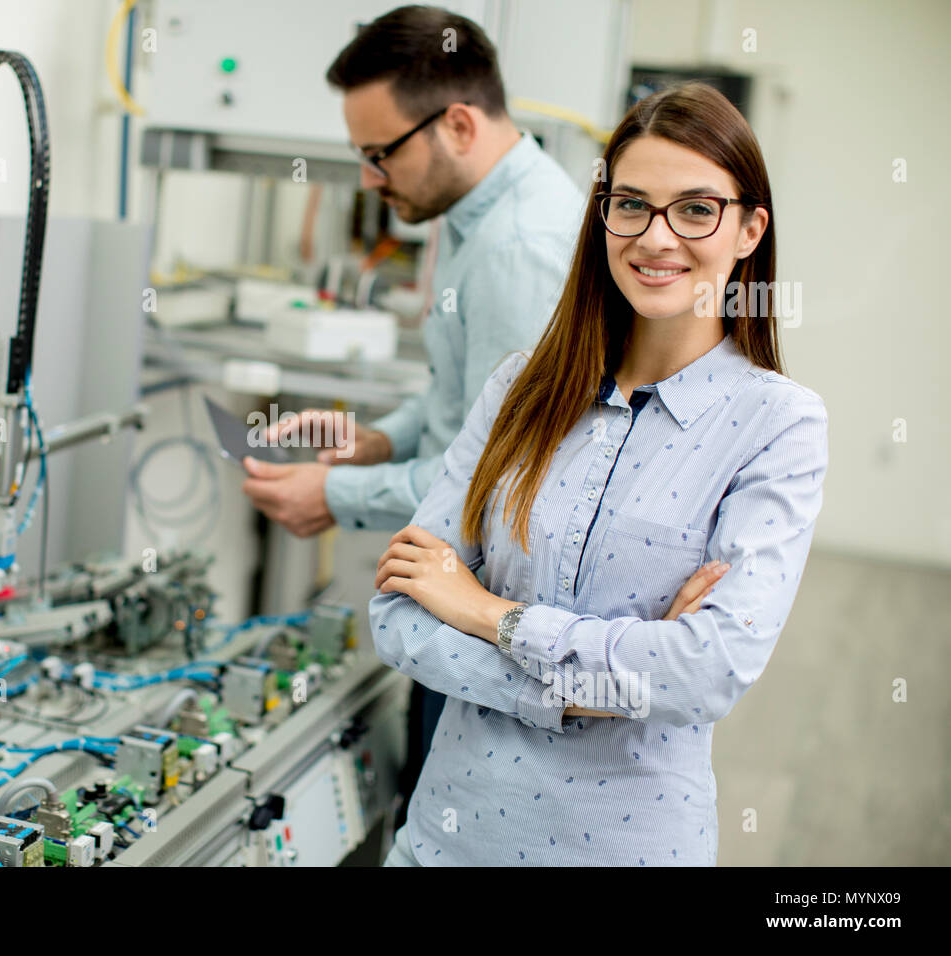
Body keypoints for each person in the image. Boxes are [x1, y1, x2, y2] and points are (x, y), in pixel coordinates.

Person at [370, 81, 828, 865]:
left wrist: (487, 613)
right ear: (603, 213)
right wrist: (606, 682)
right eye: (631, 205)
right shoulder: (521, 387)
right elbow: (400, 618)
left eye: (695, 209)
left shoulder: (778, 425)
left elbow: (707, 670)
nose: (655, 238)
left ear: (750, 228)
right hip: (441, 844)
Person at [237, 4, 582, 827]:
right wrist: (374, 441)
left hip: (491, 626)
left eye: (378, 154)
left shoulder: (516, 249)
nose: (367, 178)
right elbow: (468, 402)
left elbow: (500, 478)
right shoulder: (478, 222)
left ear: (458, 124)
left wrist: (335, 498)